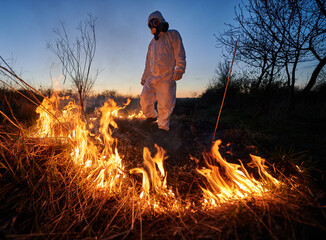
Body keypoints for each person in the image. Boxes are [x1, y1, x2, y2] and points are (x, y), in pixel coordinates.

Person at [140, 11, 186, 131]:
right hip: (152, 77)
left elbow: (179, 53)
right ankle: (151, 117)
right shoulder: (151, 44)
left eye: (155, 22)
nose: (153, 26)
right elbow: (148, 63)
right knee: (144, 98)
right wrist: (145, 77)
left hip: (166, 77)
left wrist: (179, 69)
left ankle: (163, 127)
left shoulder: (173, 34)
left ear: (160, 21)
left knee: (165, 104)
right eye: (150, 24)